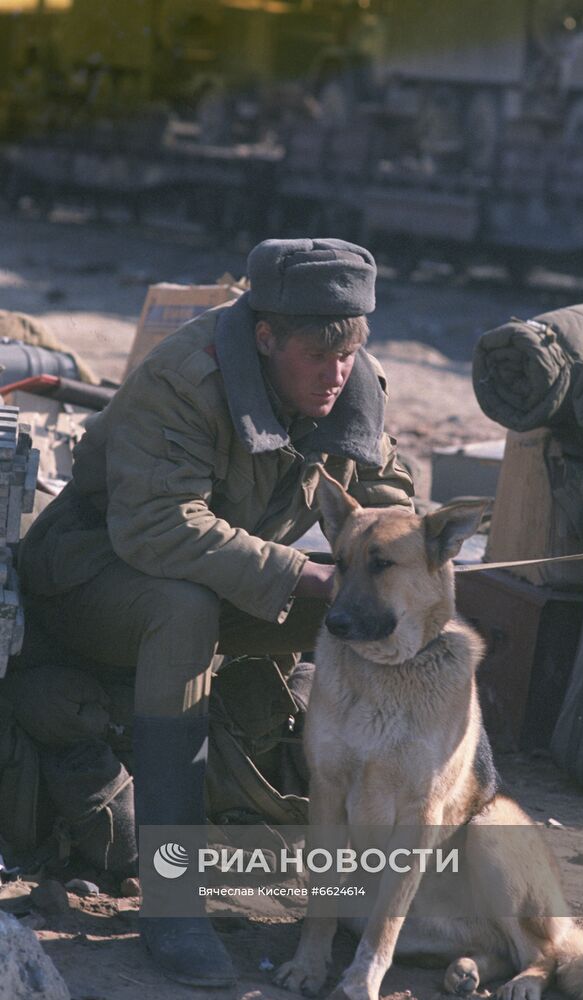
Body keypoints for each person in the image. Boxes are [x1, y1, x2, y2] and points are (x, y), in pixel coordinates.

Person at [18, 238, 414, 989]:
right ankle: (171, 898)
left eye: (349, 353)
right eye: (317, 355)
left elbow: (385, 486)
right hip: (90, 580)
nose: (337, 375)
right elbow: (157, 526)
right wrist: (304, 571)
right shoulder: (184, 378)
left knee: (367, 616)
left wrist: (388, 561)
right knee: (184, 607)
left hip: (217, 582)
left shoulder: (345, 376)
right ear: (264, 339)